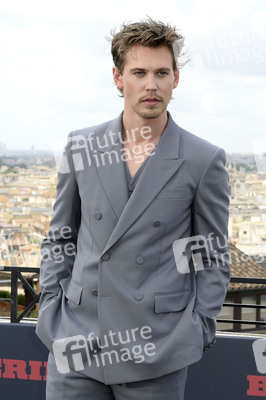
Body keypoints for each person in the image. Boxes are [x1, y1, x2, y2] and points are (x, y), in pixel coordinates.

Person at [36, 17, 230, 400]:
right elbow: (61, 235)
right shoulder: (81, 147)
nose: (151, 85)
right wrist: (51, 310)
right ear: (118, 77)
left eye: (161, 72)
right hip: (77, 342)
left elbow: (209, 255)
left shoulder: (202, 159)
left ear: (176, 78)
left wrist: (198, 327)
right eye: (139, 72)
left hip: (156, 349)